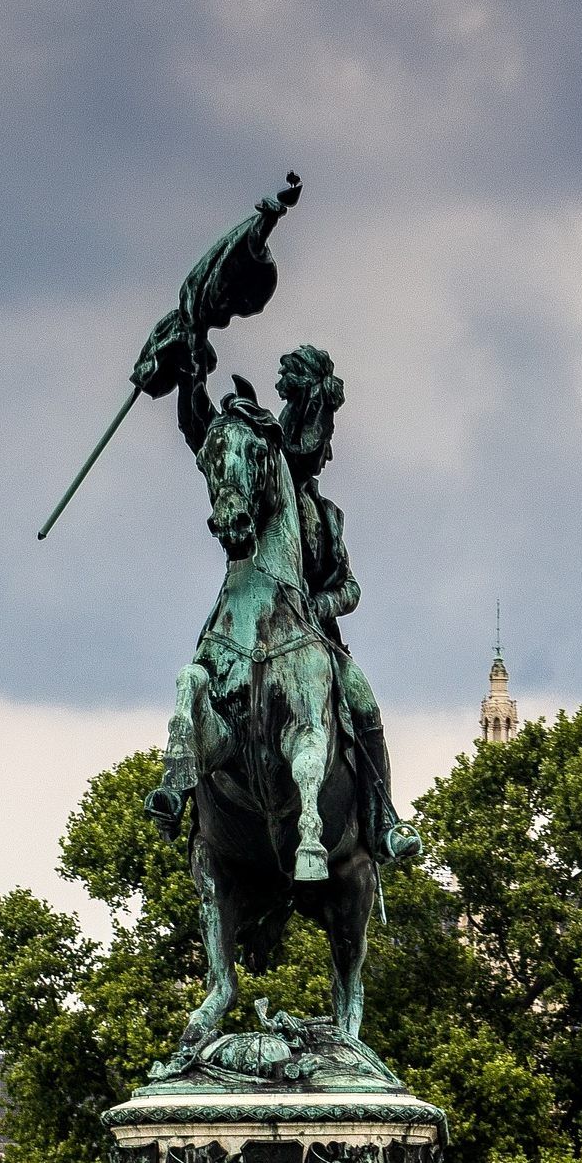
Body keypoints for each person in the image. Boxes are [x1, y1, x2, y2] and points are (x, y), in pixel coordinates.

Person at [174, 343, 403, 858]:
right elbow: (206, 433)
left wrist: (318, 607)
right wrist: (190, 368)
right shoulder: (264, 501)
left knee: (363, 698)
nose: (323, 453)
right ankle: (183, 790)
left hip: (315, 641)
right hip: (245, 626)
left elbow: (350, 587)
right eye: (318, 442)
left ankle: (382, 815)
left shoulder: (326, 518)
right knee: (198, 675)